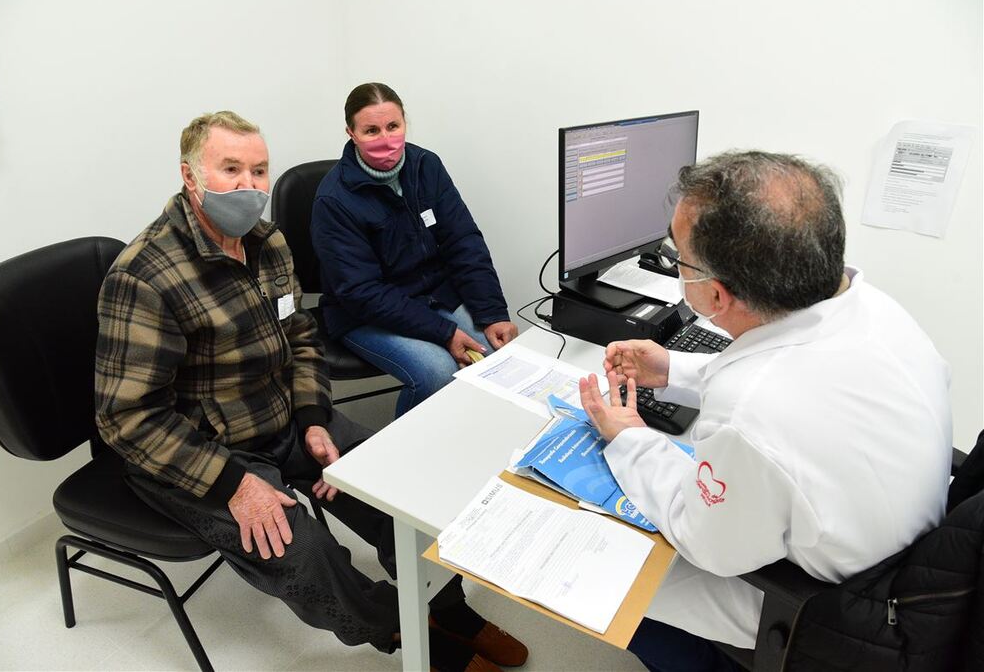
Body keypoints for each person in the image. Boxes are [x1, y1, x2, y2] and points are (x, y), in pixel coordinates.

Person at [94, 111, 527, 672]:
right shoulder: (145, 276)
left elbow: (299, 336)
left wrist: (314, 416)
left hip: (282, 418)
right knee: (304, 551)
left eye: (258, 171)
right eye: (230, 169)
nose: (249, 187)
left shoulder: (267, 242)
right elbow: (127, 418)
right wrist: (234, 484)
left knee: (400, 493)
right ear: (189, 175)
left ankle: (447, 611)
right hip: (203, 452)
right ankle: (402, 634)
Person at [577, 151, 952, 672]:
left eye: (678, 258)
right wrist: (672, 370)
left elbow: (706, 543)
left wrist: (629, 437)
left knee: (613, 572)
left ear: (716, 294)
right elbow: (791, 374)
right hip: (911, 571)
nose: (676, 268)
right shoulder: (878, 310)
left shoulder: (752, 411)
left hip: (825, 610)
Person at [311, 82, 519, 418]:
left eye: (393, 126)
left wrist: (492, 311)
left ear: (405, 122)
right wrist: (444, 332)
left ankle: (458, 439)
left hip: (432, 294)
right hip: (363, 313)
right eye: (371, 130)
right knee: (436, 373)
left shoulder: (426, 166)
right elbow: (360, 292)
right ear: (351, 132)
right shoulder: (334, 199)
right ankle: (397, 463)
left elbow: (463, 240)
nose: (386, 139)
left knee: (495, 354)